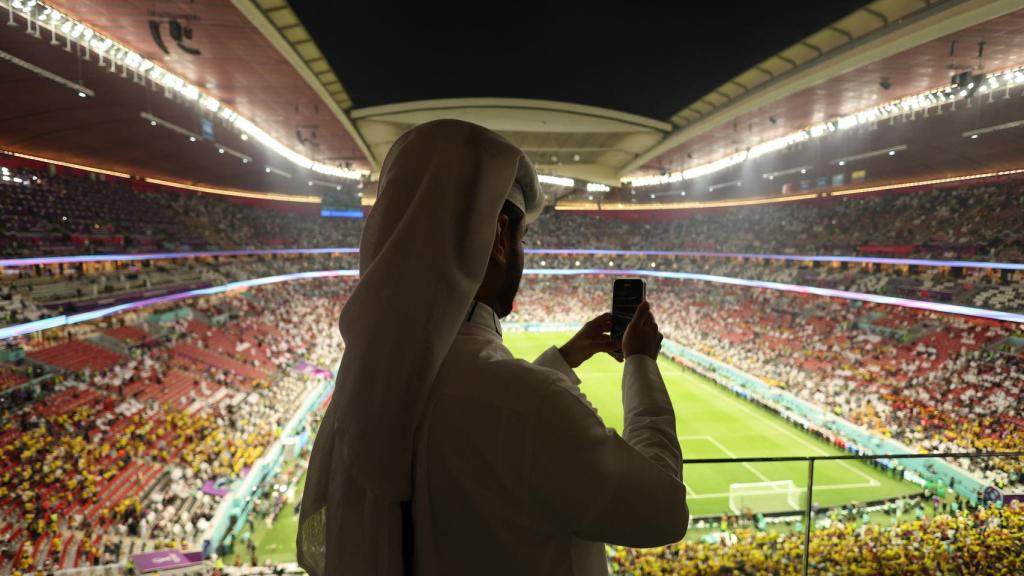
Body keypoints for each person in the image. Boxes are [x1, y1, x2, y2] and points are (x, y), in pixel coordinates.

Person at [297, 120, 687, 576]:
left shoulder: (364, 391)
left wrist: (562, 360)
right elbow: (662, 510)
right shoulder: (528, 404)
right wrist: (640, 362)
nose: (524, 253)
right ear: (499, 237)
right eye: (523, 239)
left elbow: (476, 409)